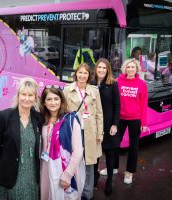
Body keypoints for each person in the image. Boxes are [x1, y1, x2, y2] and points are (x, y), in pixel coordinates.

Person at [0, 77, 42, 200]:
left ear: (35, 98)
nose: (26, 98)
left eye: (31, 95)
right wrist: (5, 163)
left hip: (32, 173)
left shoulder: (38, 118)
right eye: (23, 94)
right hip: (11, 172)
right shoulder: (4, 116)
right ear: (18, 95)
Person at [63, 63, 103, 200]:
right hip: (73, 132)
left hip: (90, 133)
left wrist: (100, 134)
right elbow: (62, 112)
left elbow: (99, 113)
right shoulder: (68, 90)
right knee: (72, 162)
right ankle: (73, 192)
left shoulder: (94, 90)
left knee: (89, 164)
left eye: (85, 73)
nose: (82, 75)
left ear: (89, 75)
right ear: (76, 74)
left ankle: (87, 194)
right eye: (80, 72)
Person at [39, 85, 85, 200]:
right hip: (47, 168)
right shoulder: (42, 121)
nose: (53, 102)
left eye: (56, 99)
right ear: (44, 102)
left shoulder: (71, 120)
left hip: (64, 170)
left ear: (61, 100)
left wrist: (67, 175)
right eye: (49, 99)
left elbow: (78, 151)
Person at [117, 58, 148, 184]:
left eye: (133, 67)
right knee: (114, 144)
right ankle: (112, 167)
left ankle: (129, 172)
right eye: (128, 67)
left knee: (133, 147)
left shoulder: (142, 84)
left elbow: (143, 104)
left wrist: (144, 123)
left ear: (137, 69)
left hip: (135, 119)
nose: (130, 69)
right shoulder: (118, 81)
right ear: (125, 68)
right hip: (119, 118)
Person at [92, 58, 120, 196]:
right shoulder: (91, 84)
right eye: (99, 67)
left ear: (108, 69)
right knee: (95, 154)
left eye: (104, 68)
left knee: (109, 153)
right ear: (96, 69)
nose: (102, 70)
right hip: (95, 124)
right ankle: (95, 177)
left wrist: (115, 124)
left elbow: (117, 106)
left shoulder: (113, 84)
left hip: (109, 124)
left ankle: (109, 180)